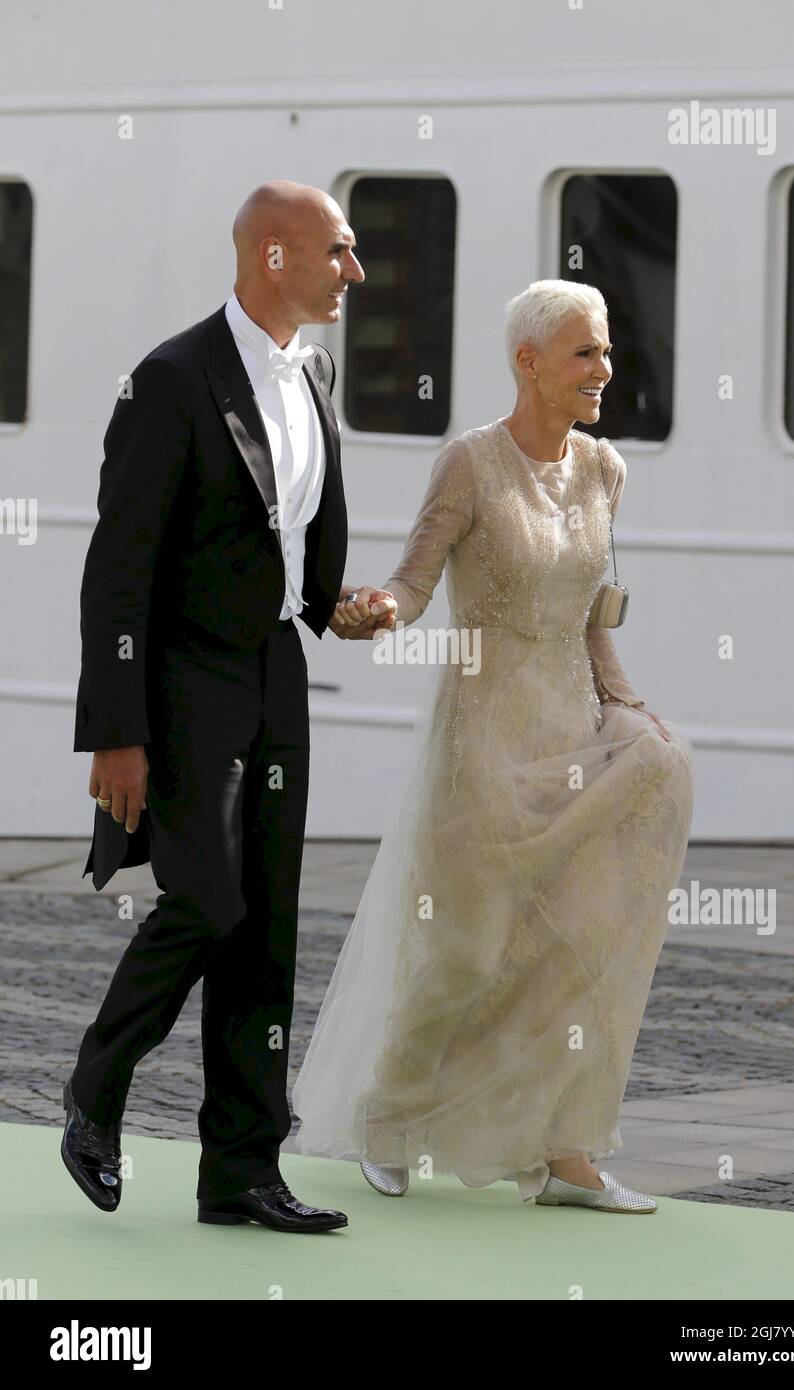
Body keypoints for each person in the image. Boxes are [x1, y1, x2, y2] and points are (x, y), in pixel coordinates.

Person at [293, 279, 694, 1213]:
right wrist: (379, 611)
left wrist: (629, 705)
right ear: (529, 362)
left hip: (575, 736)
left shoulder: (605, 471)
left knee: (579, 945)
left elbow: (596, 612)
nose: (605, 368)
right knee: (467, 950)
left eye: (603, 350)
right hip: (481, 737)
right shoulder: (470, 463)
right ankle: (388, 1121)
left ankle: (563, 1152)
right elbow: (414, 578)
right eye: (586, 352)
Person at [63, 180, 396, 1234]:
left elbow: (277, 530)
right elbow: (117, 570)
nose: (354, 271)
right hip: (183, 680)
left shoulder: (314, 368)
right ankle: (94, 1089)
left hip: (274, 673)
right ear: (272, 256)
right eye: (337, 251)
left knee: (268, 928)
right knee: (206, 900)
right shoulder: (168, 380)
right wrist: (116, 732)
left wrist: (328, 607)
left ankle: (240, 1172)